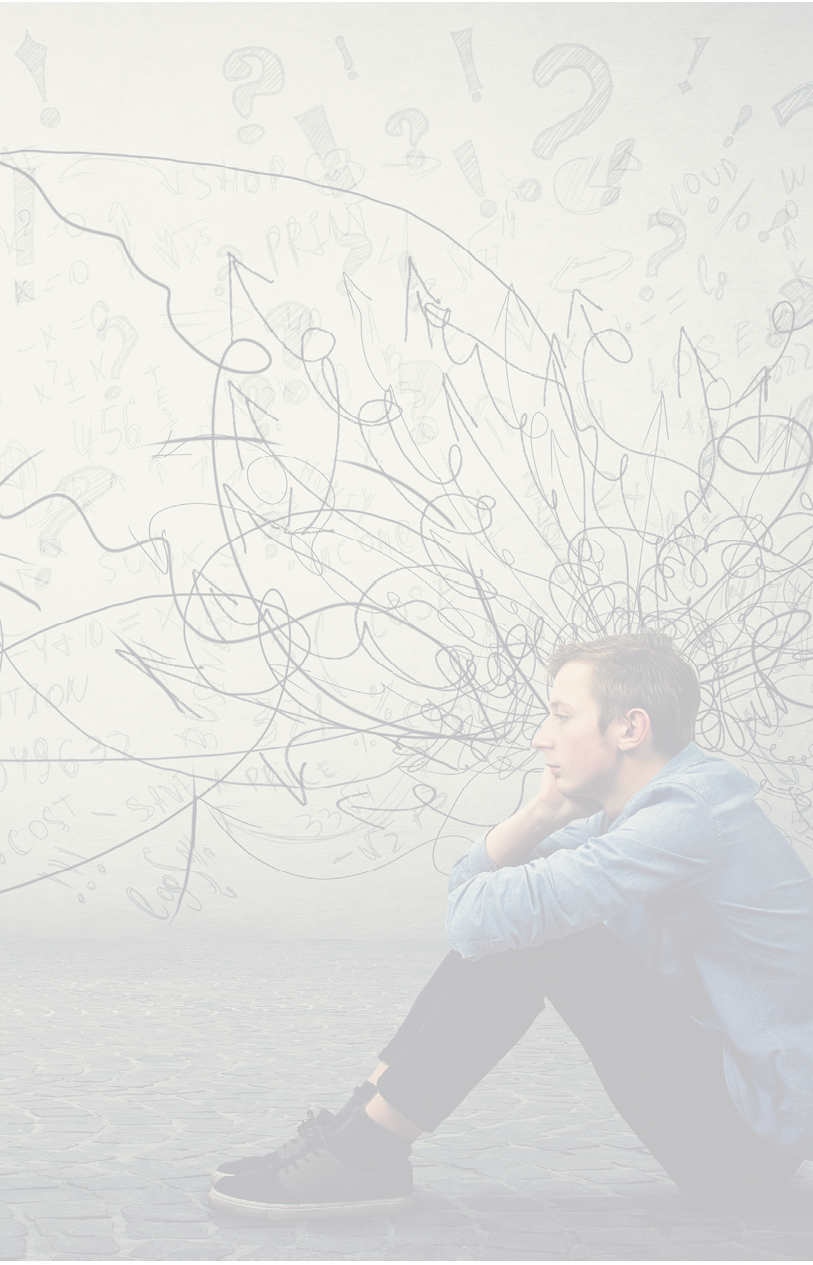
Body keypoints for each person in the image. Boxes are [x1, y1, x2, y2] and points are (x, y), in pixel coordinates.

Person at [207, 630, 813, 1221]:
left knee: (535, 939)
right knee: (520, 924)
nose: (540, 738)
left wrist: (535, 829)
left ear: (629, 728)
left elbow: (476, 917)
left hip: (751, 1136)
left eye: (561, 715)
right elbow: (471, 897)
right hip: (729, 1104)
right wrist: (541, 813)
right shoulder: (635, 814)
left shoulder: (685, 819)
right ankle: (353, 1134)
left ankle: (366, 1152)